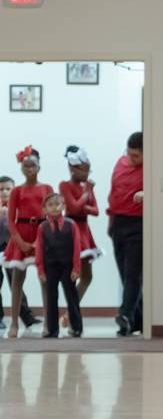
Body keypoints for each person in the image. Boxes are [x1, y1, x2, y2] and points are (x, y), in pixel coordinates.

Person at [2, 147, 53, 338]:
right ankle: (14, 323)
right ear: (21, 168)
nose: (29, 169)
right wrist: (20, 242)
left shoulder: (46, 188)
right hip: (21, 236)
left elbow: (52, 214)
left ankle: (48, 322)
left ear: (39, 167)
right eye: (26, 166)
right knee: (17, 281)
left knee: (45, 281)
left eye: (33, 165)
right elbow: (10, 220)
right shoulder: (16, 191)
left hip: (42, 235)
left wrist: (41, 241)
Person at [59, 146, 102, 327]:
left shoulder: (86, 188)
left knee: (87, 276)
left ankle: (70, 312)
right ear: (72, 168)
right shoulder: (65, 185)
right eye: (84, 169)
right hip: (71, 230)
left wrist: (83, 201)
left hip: (85, 231)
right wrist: (86, 194)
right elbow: (73, 208)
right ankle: (72, 315)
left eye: (88, 169)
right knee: (73, 275)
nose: (86, 174)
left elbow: (96, 211)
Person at [108, 131, 143, 336]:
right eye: (129, 154)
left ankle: (125, 315)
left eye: (136, 156)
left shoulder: (151, 168)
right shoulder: (121, 163)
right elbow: (114, 192)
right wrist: (112, 224)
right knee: (126, 275)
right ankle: (138, 319)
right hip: (118, 224)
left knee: (132, 274)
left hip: (137, 225)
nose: (131, 159)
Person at [35, 193, 83, 337]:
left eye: (58, 204)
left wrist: (76, 268)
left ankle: (76, 327)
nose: (54, 207)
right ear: (44, 210)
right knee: (51, 297)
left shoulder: (71, 225)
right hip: (51, 267)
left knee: (71, 296)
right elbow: (39, 250)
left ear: (64, 206)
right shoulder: (42, 227)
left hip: (68, 266)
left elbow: (76, 247)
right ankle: (52, 329)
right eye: (50, 205)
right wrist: (41, 270)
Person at [0, 176, 40, 331]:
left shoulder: (18, 207)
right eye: (1, 189)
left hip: (11, 249)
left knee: (15, 281)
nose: (4, 192)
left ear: (14, 190)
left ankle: (27, 317)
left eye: (7, 189)